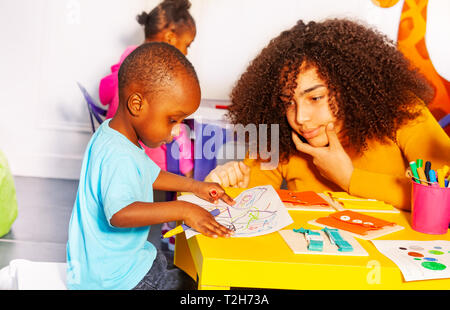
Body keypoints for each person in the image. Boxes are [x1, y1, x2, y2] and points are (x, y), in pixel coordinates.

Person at [205, 19, 450, 211]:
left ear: (352, 88)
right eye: (288, 102)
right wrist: (224, 189)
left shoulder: (403, 112)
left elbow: (445, 198)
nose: (300, 118)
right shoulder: (278, 136)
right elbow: (247, 207)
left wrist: (350, 178)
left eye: (315, 98)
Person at [67, 42, 234, 290]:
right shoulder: (119, 154)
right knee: (200, 287)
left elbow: (150, 174)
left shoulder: (113, 134)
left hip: (114, 265)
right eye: (172, 120)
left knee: (182, 273)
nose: (177, 131)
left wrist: (195, 187)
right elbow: (119, 214)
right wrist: (183, 209)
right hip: (116, 280)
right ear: (137, 104)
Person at [99, 0, 197, 250]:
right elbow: (119, 213)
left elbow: (106, 91)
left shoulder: (129, 60)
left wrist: (195, 186)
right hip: (116, 274)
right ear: (170, 37)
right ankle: (174, 223)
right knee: (185, 147)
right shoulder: (158, 76)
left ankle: (180, 204)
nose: (185, 53)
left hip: (130, 138)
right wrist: (187, 181)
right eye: (186, 45)